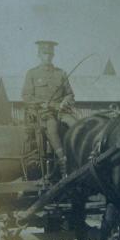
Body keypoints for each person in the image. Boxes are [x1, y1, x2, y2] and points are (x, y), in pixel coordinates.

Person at [21, 40, 76, 176]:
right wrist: (41, 103)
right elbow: (26, 96)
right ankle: (63, 162)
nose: (48, 56)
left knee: (76, 125)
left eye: (51, 54)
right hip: (44, 113)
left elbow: (70, 94)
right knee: (52, 128)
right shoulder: (32, 74)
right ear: (39, 55)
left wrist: (65, 101)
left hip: (62, 112)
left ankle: (78, 156)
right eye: (45, 53)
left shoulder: (61, 73)